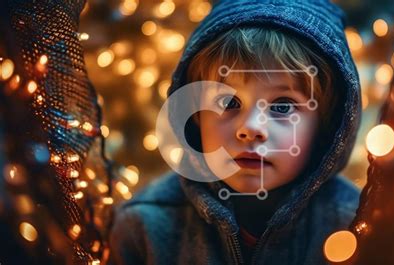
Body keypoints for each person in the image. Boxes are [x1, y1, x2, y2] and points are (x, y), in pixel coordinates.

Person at [109, 0, 362, 264]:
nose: (251, 128)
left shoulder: (354, 225)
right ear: (195, 116)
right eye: (227, 103)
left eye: (283, 106)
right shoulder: (143, 227)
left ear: (328, 126)